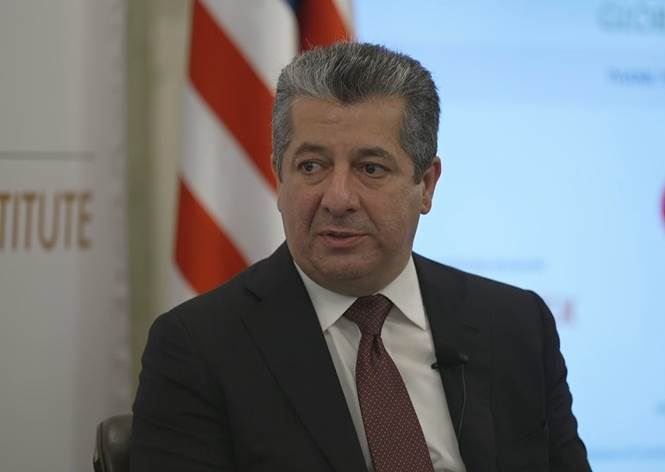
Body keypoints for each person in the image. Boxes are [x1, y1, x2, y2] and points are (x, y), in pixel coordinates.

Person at [131, 42, 591, 472]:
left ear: (426, 185)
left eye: (371, 168)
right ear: (279, 177)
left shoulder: (514, 325)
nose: (338, 199)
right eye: (311, 166)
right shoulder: (199, 347)